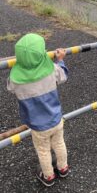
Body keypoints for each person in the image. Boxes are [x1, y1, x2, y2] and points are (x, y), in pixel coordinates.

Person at [7, 33, 69, 187]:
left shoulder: (16, 80)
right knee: (59, 143)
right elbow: (63, 76)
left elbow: (9, 87)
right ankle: (63, 168)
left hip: (37, 126)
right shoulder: (51, 69)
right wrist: (60, 59)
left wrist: (18, 67)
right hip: (56, 119)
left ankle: (48, 176)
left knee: (43, 151)